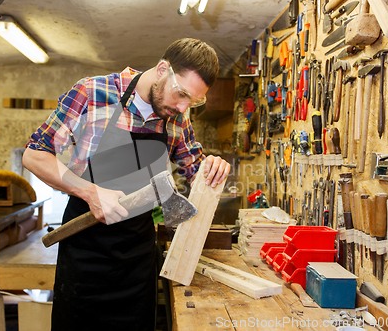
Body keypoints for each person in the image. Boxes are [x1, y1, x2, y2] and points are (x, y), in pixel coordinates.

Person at [22, 38, 231, 331]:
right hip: (85, 256)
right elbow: (34, 155)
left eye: (193, 102)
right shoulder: (92, 92)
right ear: (162, 70)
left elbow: (197, 173)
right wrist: (89, 192)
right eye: (181, 94)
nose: (184, 107)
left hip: (136, 261)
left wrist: (214, 169)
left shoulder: (176, 118)